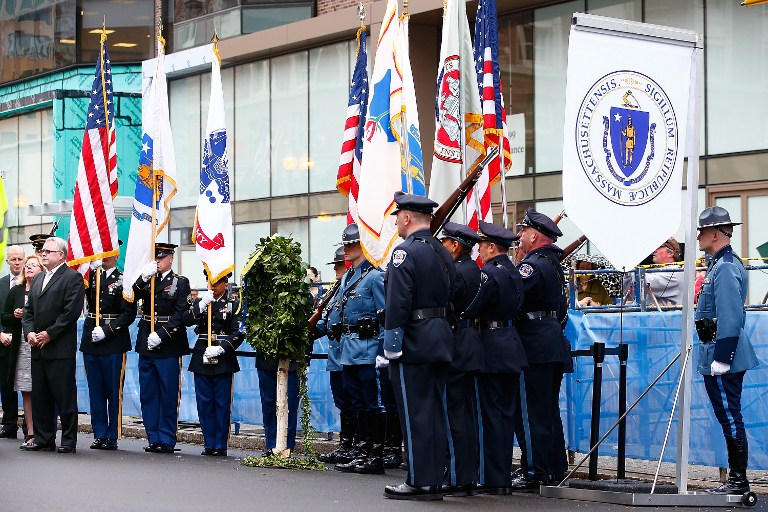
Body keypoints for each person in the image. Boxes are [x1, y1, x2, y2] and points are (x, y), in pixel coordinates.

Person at [381, 192, 455, 501]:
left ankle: (418, 479)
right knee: (435, 412)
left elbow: (398, 303)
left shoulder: (405, 253)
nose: (396, 221)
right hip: (439, 337)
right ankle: (435, 477)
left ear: (408, 218)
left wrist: (391, 347)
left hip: (413, 341)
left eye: (398, 215)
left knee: (414, 413)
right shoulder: (441, 251)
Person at [695, 206, 758, 495]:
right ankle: (736, 479)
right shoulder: (718, 264)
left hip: (724, 355)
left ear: (714, 234)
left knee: (730, 416)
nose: (698, 236)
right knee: (727, 415)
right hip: (717, 351)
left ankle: (738, 481)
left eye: (702, 231)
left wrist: (722, 357)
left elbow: (731, 317)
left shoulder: (725, 267)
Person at [463, 221, 529, 495]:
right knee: (504, 416)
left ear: (492, 247)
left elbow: (472, 308)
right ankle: (500, 476)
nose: (478, 249)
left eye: (480, 245)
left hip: (490, 347)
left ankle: (490, 477)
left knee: (487, 416)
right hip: (511, 345)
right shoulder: (513, 271)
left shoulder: (489, 274)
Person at [511, 208, 572, 490]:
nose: (520, 236)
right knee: (547, 410)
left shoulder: (532, 266)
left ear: (534, 235)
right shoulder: (553, 265)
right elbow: (562, 312)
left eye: (523, 231)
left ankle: (535, 470)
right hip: (550, 341)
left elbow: (511, 298)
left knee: (531, 410)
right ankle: (553, 468)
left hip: (533, 344)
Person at [332, 223, 387, 475]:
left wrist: (384, 350)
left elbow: (385, 315)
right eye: (345, 245)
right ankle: (362, 451)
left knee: (371, 403)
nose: (346, 249)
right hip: (348, 350)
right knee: (356, 402)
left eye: (351, 244)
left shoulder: (375, 276)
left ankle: (375, 454)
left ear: (363, 244)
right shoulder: (347, 277)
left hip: (368, 348)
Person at [21, 236, 85, 453]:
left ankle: (68, 440)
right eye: (43, 251)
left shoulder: (72, 277)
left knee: (64, 396)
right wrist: (29, 332)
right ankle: (44, 438)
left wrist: (49, 334)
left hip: (58, 348)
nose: (43, 254)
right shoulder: (38, 279)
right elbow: (28, 312)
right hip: (37, 347)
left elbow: (71, 313)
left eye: (48, 251)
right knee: (40, 396)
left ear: (61, 255)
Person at [131, 243, 191, 454]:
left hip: (168, 344)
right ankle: (153, 437)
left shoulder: (180, 282)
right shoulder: (147, 279)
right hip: (146, 340)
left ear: (171, 258)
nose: (158, 260)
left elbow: (180, 313)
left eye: (162, 257)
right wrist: (142, 279)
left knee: (167, 393)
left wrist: (162, 335)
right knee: (148, 393)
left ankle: (166, 438)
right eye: (155, 257)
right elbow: (130, 297)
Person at [438, 222, 483, 496]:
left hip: (457, 344)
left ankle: (456, 476)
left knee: (453, 415)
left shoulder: (457, 273)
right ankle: (466, 474)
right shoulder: (473, 269)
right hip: (470, 344)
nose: (441, 247)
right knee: (465, 416)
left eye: (444, 242)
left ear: (455, 245)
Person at [81, 243, 136, 450]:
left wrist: (108, 329)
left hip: (113, 340)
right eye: (102, 251)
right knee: (95, 390)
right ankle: (100, 433)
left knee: (113, 390)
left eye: (109, 252)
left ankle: (112, 434)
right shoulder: (90, 277)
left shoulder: (124, 280)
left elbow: (128, 314)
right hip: (91, 340)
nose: (105, 256)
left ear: (116, 254)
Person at [183, 272, 244, 456]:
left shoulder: (233, 305)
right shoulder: (201, 302)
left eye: (218, 282)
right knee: (204, 402)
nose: (213, 285)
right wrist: (201, 306)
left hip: (222, 357)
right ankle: (209, 442)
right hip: (202, 354)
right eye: (211, 281)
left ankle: (220, 444)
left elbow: (239, 332)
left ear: (226, 284)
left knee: (222, 402)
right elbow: (186, 320)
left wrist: (222, 348)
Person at [316, 246, 357, 464]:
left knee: (355, 403)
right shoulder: (335, 289)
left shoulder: (350, 288)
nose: (336, 269)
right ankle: (346, 445)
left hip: (351, 355)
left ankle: (356, 447)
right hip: (336, 357)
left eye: (339, 265)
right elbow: (325, 322)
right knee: (342, 403)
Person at [1, 254, 41, 447]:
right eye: (28, 265)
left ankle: (42, 431)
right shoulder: (16, 291)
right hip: (22, 347)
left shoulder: (44, 289)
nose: (27, 267)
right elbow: (4, 317)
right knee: (26, 389)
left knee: (41, 390)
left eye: (33, 265)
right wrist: (15, 315)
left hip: (40, 344)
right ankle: (30, 432)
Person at [0, 245, 24, 439]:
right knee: (6, 384)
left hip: (24, 342)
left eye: (19, 259)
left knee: (27, 384)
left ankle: (29, 425)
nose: (17, 262)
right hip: (3, 342)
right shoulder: (1, 284)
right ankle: (9, 424)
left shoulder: (31, 284)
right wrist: (0, 334)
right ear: (7, 261)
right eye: (13, 259)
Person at [624, 238, 683, 306]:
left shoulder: (675, 272)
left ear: (670, 253)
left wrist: (627, 265)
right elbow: (630, 290)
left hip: (667, 315)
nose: (654, 251)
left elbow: (643, 281)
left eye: (658, 247)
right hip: (658, 314)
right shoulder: (660, 270)